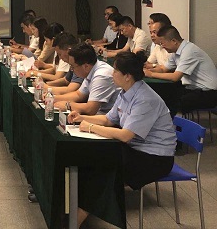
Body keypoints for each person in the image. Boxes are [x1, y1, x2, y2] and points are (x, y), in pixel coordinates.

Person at [69, 52, 176, 227]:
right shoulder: (125, 92)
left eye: (115, 71)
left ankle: (75, 221)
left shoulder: (145, 99)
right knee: (91, 158)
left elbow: (126, 135)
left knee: (105, 169)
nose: (112, 74)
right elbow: (109, 119)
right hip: (135, 149)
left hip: (155, 158)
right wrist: (82, 118)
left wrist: (90, 127)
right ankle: (75, 210)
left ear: (127, 76)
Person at [145, 26, 217, 113]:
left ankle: (171, 121)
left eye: (162, 43)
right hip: (193, 89)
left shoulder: (189, 51)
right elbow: (163, 68)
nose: (162, 46)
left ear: (174, 41)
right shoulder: (175, 52)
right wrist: (146, 71)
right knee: (164, 92)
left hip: (208, 93)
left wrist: (151, 74)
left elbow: (175, 77)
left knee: (173, 101)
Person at [53, 42, 119, 115]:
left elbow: (90, 109)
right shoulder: (91, 70)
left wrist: (68, 105)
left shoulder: (102, 75)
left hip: (108, 118)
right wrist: (53, 98)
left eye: (73, 67)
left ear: (86, 66)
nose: (72, 70)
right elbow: (78, 95)